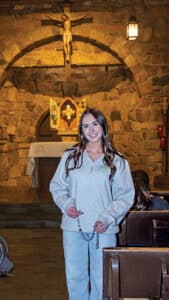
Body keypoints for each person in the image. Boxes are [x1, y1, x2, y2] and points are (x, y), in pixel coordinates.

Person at [49, 108, 134, 300]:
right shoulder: (70, 157)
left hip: (103, 228)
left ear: (103, 126)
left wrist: (107, 217)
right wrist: (67, 204)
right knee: (75, 276)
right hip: (73, 226)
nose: (91, 129)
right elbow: (57, 186)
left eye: (95, 124)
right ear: (81, 130)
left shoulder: (117, 160)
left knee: (102, 279)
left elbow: (125, 195)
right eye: (86, 125)